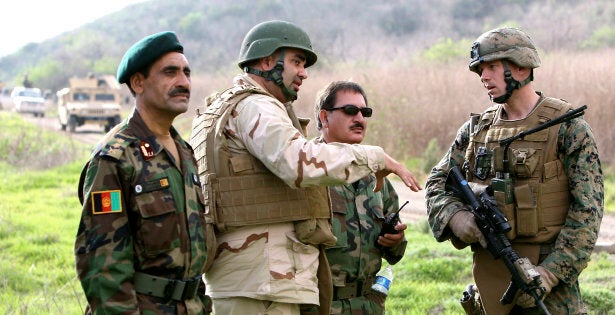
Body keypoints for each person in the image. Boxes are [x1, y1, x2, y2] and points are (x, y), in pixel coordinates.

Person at [190, 20, 420, 315]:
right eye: (296, 62)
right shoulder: (255, 106)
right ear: (266, 60)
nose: (303, 72)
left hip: (257, 279)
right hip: (262, 283)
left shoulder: (228, 107)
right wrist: (376, 157)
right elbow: (298, 162)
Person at [424, 27, 603, 314]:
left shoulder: (568, 128)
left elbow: (588, 212)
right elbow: (436, 183)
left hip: (549, 288)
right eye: (480, 69)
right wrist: (456, 218)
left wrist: (550, 273)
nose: (483, 76)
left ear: (520, 68)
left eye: (492, 67)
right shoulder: (476, 130)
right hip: (489, 278)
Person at [74, 31, 215, 314]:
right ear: (138, 82)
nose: (183, 82)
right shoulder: (115, 157)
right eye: (170, 72)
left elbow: (192, 250)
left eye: (186, 72)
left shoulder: (184, 152)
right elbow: (103, 265)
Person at [309, 81, 408, 314]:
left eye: (365, 112)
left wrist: (396, 239)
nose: (360, 119)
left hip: (368, 305)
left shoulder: (376, 175)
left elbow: (396, 253)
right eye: (350, 111)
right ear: (324, 117)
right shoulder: (307, 172)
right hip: (320, 305)